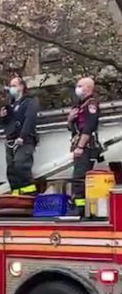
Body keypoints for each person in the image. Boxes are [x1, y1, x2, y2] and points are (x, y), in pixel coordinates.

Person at [0, 77, 39, 195]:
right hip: (10, 140)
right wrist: (2, 116)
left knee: (21, 165)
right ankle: (16, 194)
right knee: (11, 170)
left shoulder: (29, 102)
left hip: (24, 140)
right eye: (10, 86)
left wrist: (22, 136)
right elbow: (3, 123)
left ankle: (29, 193)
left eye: (14, 85)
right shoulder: (10, 105)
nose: (11, 88)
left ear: (21, 87)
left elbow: (30, 120)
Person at [67, 77, 100, 215]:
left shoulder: (91, 105)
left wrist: (80, 147)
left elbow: (89, 127)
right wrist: (69, 119)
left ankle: (80, 210)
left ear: (88, 88)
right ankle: (79, 208)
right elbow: (73, 128)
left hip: (86, 146)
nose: (78, 88)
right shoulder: (79, 105)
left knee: (80, 178)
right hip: (79, 144)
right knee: (78, 178)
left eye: (80, 85)